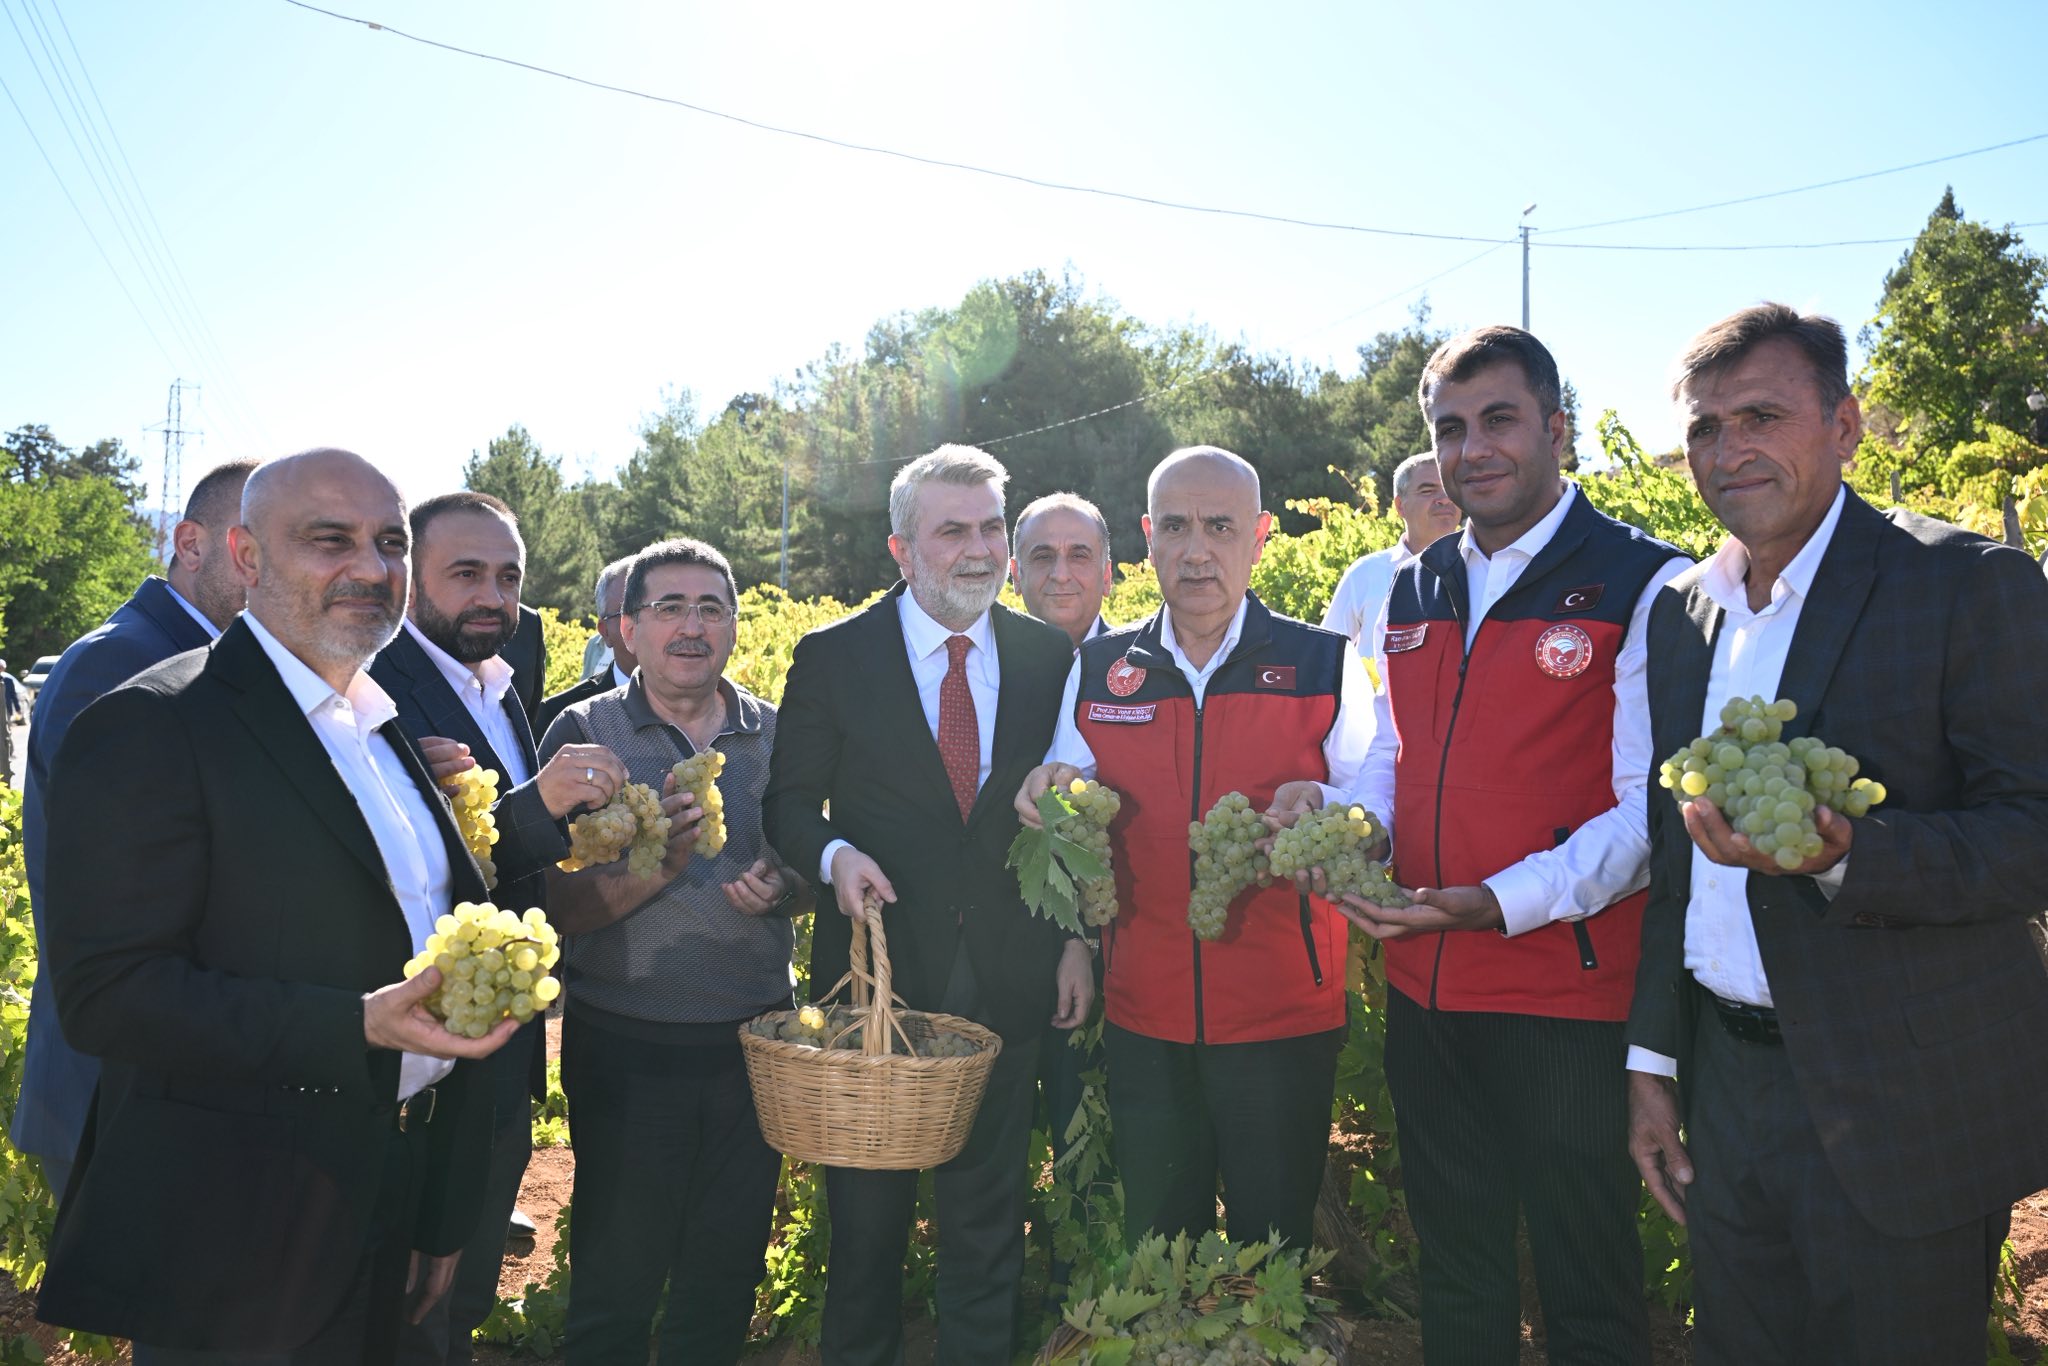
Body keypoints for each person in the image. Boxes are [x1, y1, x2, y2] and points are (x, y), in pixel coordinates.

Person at [1624, 304, 2048, 1365]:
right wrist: (1652, 1061)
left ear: (1845, 426)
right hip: (1727, 1090)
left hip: (1905, 1105)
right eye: (1704, 428)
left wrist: (1847, 859)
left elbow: (2034, 833)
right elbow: (1674, 861)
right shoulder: (1682, 611)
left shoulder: (1961, 582)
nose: (1729, 450)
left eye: (1761, 416)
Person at [37, 448, 516, 1360]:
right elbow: (110, 996)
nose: (371, 568)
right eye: (329, 540)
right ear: (246, 557)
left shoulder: (386, 731)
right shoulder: (154, 724)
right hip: (239, 1236)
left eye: (389, 543)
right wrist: (356, 1025)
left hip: (393, 1196)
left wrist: (439, 1210)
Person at [1334, 325, 1687, 1366]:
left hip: (1563, 997)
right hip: (1424, 989)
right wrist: (1359, 825)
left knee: (1585, 1278)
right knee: (1457, 1268)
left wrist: (1494, 901)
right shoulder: (1413, 583)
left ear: (1556, 430)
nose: (1472, 448)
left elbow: (1646, 815)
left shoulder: (1641, 582)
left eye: (1498, 420)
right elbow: (1394, 752)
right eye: (1450, 429)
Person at [765, 445, 1089, 1366]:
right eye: (954, 531)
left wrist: (1074, 939)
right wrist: (835, 857)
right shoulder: (834, 657)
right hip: (879, 987)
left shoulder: (1046, 656)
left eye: (992, 527)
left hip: (1008, 976)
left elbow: (1068, 812)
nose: (980, 550)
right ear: (902, 549)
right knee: (865, 1234)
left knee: (989, 1222)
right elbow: (787, 805)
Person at [1015, 445, 1376, 1255]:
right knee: (1160, 1244)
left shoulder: (1323, 664)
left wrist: (1330, 807)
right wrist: (1048, 793)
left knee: (1271, 1249)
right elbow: (1070, 795)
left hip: (1284, 1010)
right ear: (1148, 539)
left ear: (1261, 536)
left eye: (1220, 526)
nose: (1197, 550)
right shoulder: (1101, 670)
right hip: (1143, 1013)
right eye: (1175, 527)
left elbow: (1377, 806)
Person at [373, 491, 629, 1365]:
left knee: (465, 1292)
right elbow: (405, 871)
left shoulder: (499, 682)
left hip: (501, 1050)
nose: (493, 596)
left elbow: (508, 860)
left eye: (508, 577)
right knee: (409, 1311)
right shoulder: (375, 690)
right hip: (423, 1064)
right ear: (412, 581)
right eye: (466, 574)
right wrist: (537, 804)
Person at [541, 536, 805, 1364]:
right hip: (625, 1044)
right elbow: (551, 904)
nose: (692, 627)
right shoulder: (585, 732)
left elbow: (812, 863)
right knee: (615, 1282)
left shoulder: (779, 733)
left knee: (722, 1278)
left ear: (734, 626)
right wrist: (654, 871)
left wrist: (787, 887)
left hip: (751, 1045)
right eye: (669, 608)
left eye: (711, 609)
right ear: (628, 628)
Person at [12, 458, 259, 1202]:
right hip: (119, 1088)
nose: (272, 571)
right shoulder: (118, 664)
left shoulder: (224, 662)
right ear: (190, 544)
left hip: (191, 1079)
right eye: (252, 548)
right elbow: (117, 899)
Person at [1320, 451, 1461, 668]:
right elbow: (1326, 656)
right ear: (1400, 505)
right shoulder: (1364, 574)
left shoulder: (1482, 570)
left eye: (1449, 489)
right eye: (1428, 490)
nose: (1444, 499)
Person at [536, 556, 637, 736]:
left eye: (664, 609)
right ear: (604, 631)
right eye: (631, 612)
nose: (648, 623)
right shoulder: (559, 716)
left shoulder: (694, 706)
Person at [1010, 491, 1116, 648]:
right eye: (1044, 557)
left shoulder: (1140, 660)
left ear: (1106, 576)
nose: (1061, 575)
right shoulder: (991, 662)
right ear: (1016, 575)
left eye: (1078, 556)